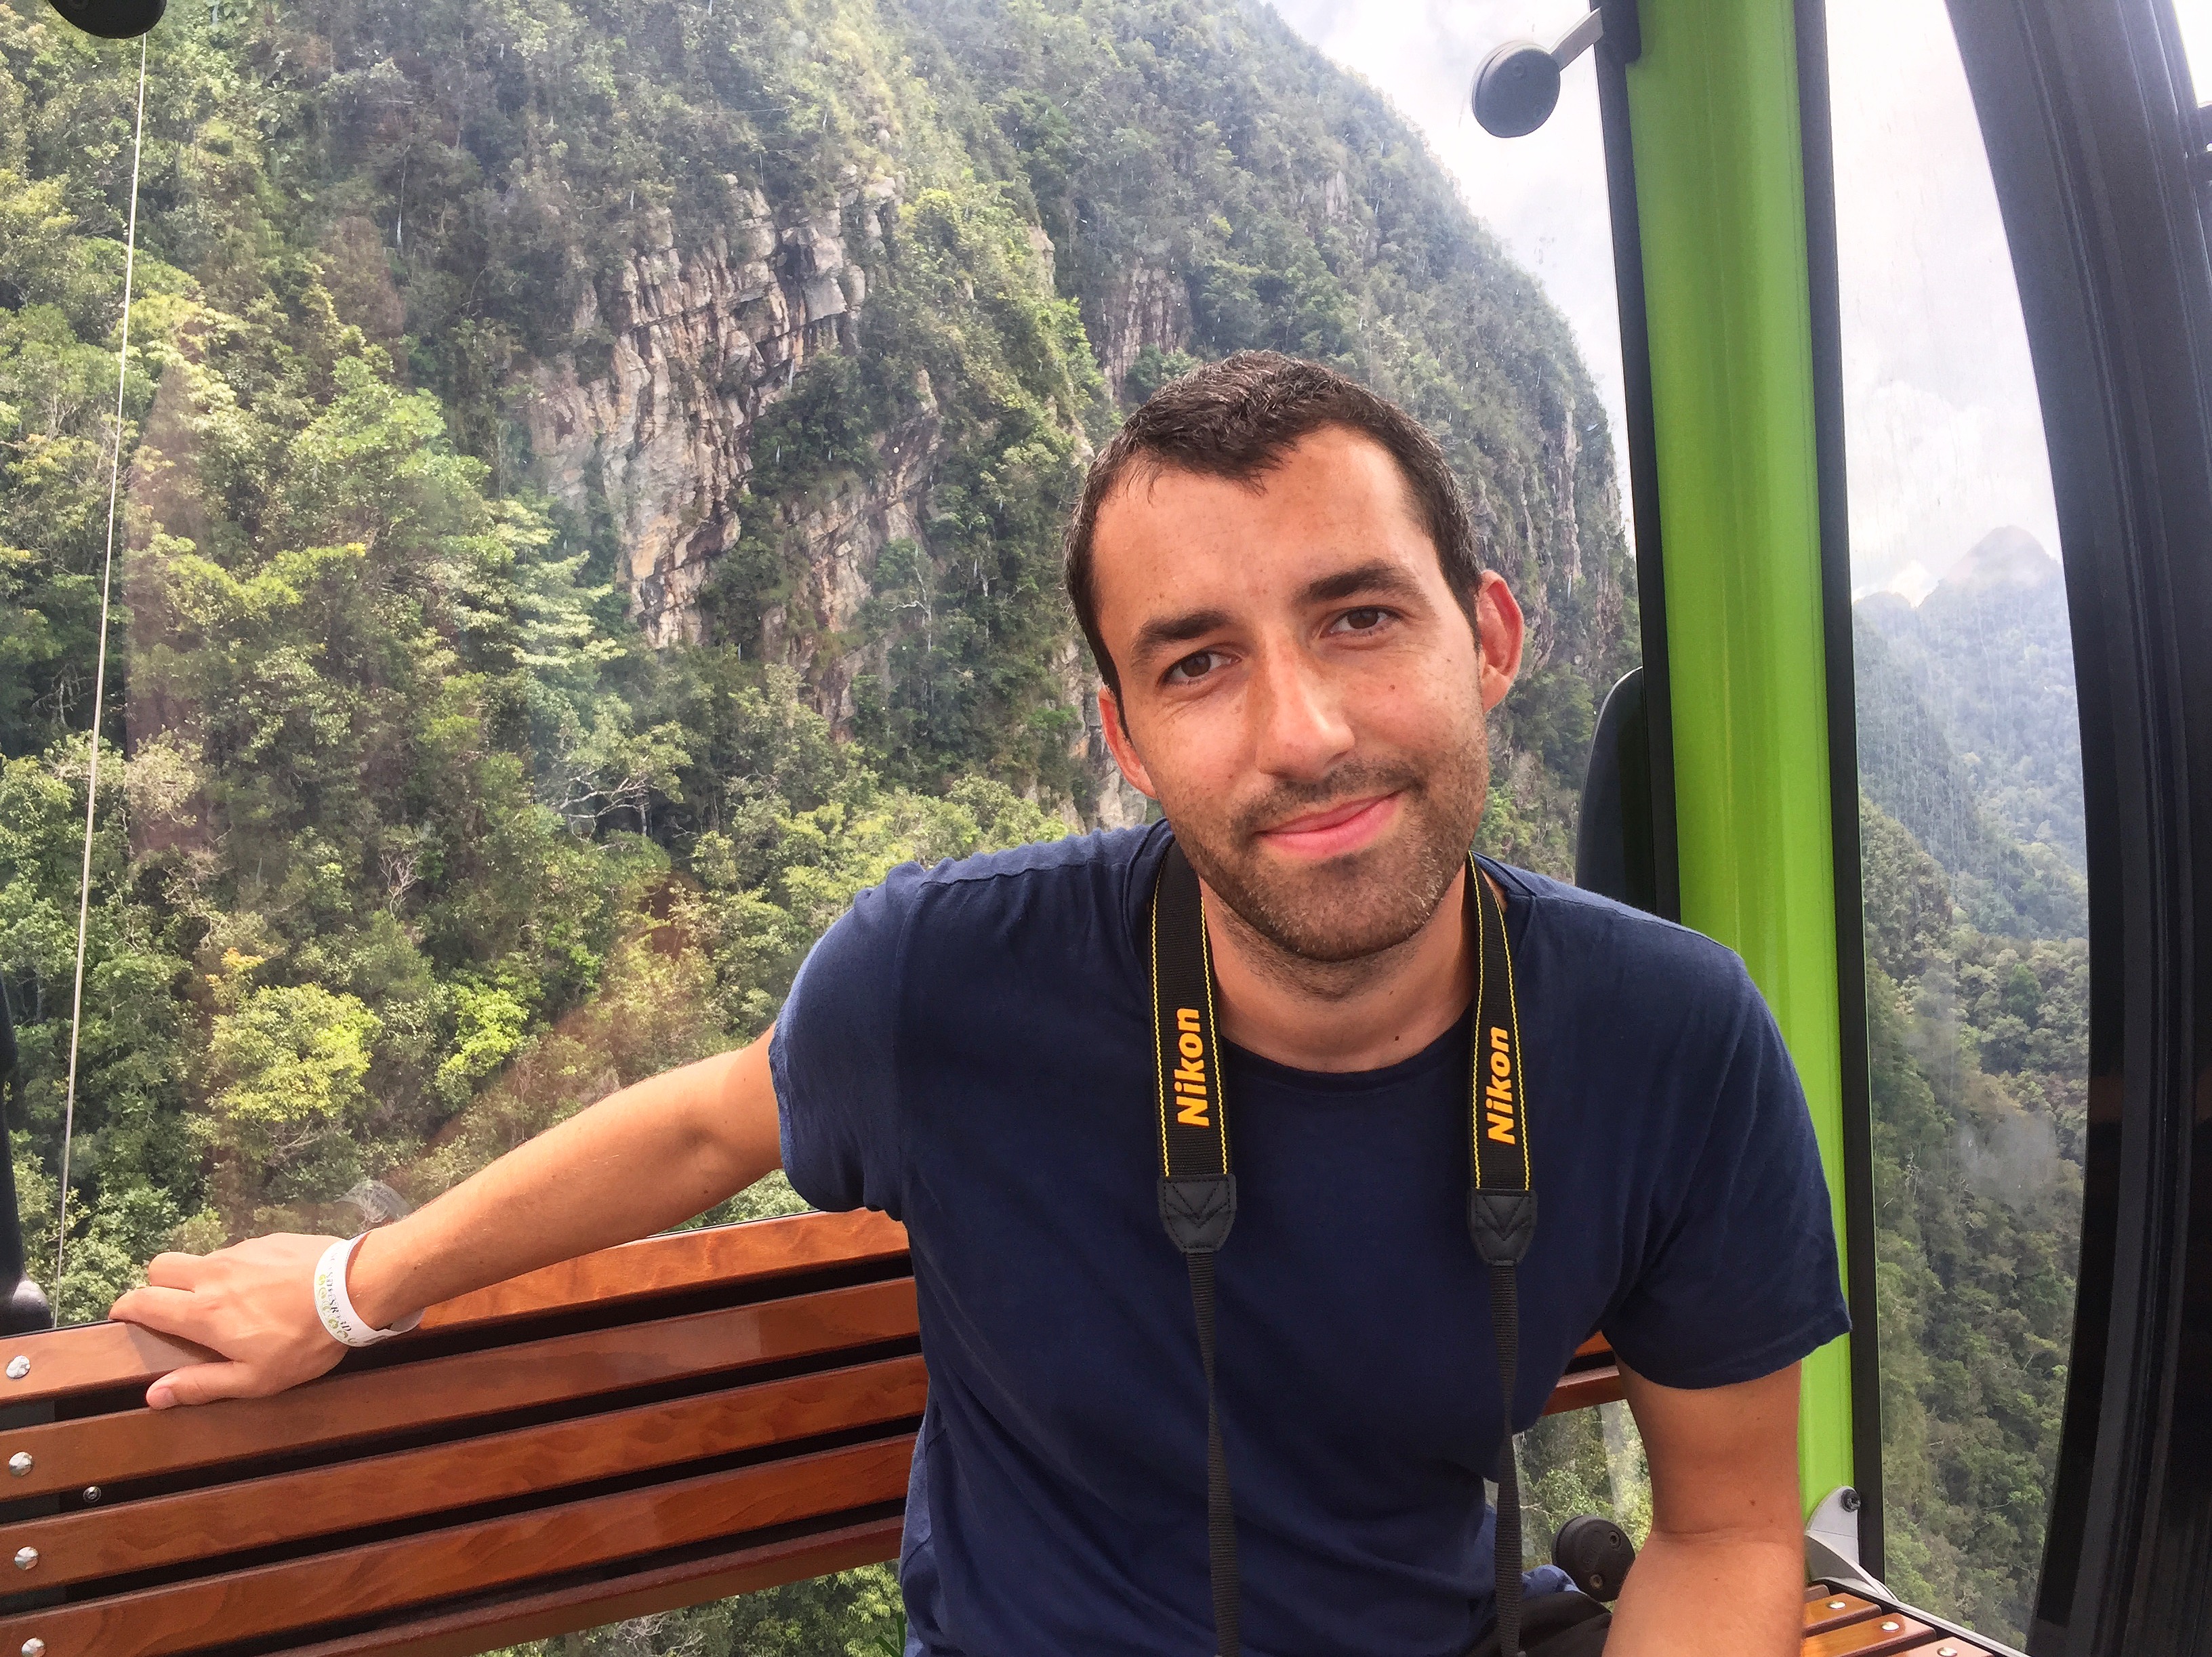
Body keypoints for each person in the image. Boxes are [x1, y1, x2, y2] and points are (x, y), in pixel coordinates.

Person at [113, 352, 1847, 1656]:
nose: (1303, 731)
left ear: (1491, 636)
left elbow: (1726, 1528)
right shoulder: (952, 978)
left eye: (1360, 617)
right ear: (1126, 738)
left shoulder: (1671, 1041)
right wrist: (346, 1289)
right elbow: (712, 1120)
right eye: (1198, 662)